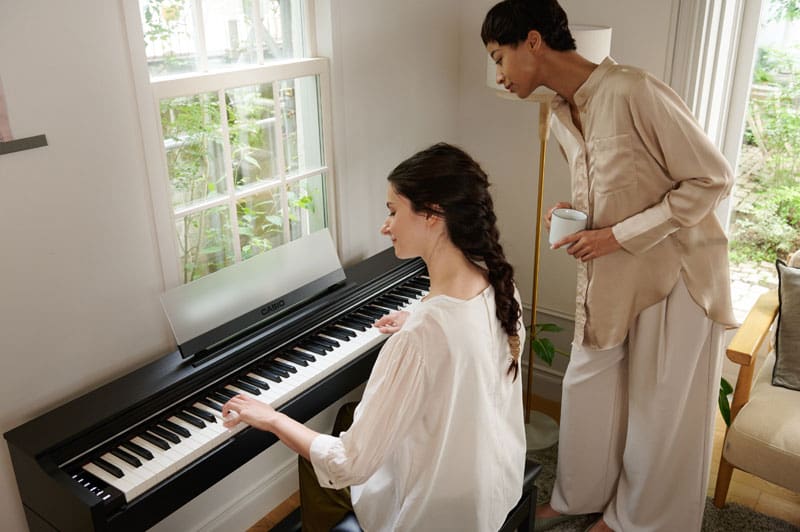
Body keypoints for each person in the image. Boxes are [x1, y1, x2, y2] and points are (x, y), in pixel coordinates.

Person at [481, 1, 737, 531]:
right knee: (587, 386)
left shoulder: (633, 89)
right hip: (611, 271)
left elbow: (712, 178)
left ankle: (637, 520)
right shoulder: (555, 111)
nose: (499, 76)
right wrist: (572, 214)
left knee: (658, 408)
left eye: (499, 57)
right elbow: (613, 182)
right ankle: (577, 496)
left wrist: (615, 235)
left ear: (533, 41)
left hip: (679, 272)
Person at [222, 142, 527, 532]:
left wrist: (273, 418)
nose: (385, 226)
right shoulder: (499, 287)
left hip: (435, 513)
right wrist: (418, 314)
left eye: (393, 211)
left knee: (316, 453)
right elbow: (460, 340)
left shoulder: (422, 335)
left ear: (433, 214)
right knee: (349, 416)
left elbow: (349, 463)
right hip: (490, 485)